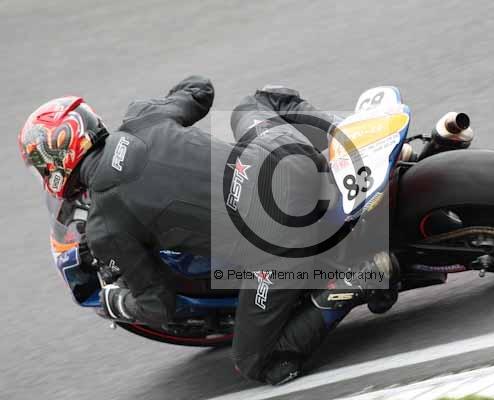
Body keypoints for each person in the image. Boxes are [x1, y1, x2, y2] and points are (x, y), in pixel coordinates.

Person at [18, 76, 400, 384]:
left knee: (257, 362)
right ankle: (350, 141)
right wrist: (166, 106)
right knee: (259, 101)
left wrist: (115, 303)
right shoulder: (143, 118)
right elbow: (200, 88)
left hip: (286, 244)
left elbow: (158, 306)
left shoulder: (105, 225)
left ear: (55, 163)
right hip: (295, 164)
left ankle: (358, 280)